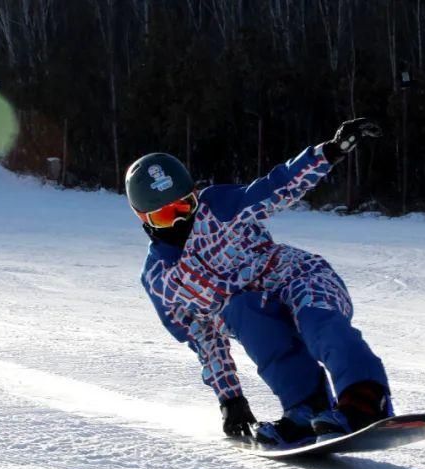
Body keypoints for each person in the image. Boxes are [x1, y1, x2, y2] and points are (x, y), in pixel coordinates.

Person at [126, 118, 392, 447]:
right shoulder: (160, 279)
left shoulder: (221, 208)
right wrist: (230, 399)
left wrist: (330, 151)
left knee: (317, 320)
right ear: (144, 220)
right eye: (166, 216)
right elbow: (202, 335)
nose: (182, 219)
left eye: (186, 205)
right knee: (240, 311)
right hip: (257, 311)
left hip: (298, 277)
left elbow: (278, 187)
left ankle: (364, 397)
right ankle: (307, 406)